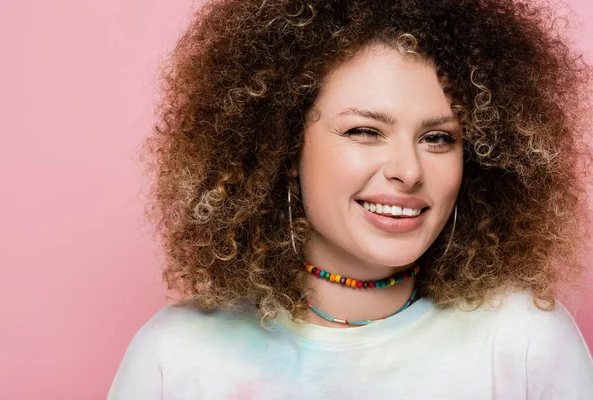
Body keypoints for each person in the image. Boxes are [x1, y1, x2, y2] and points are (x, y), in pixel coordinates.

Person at [108, 0, 593, 398]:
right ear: (281, 145)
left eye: (439, 138)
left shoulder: (524, 342)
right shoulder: (177, 358)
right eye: (365, 130)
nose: (407, 170)